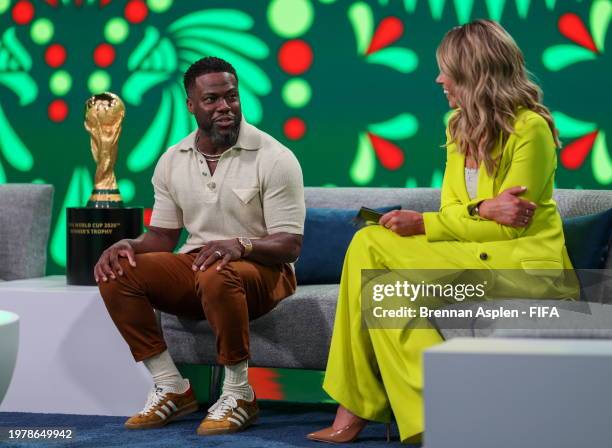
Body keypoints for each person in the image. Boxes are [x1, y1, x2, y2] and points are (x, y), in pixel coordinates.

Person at [307, 20, 578, 444]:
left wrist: (433, 222)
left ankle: (355, 406)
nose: (439, 79)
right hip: (472, 255)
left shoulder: (531, 129)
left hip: (527, 269)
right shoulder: (458, 128)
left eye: (447, 70)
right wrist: (482, 208)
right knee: (384, 291)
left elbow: (509, 228)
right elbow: (462, 211)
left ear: (477, 72)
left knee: (368, 241)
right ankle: (437, 419)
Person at [96, 56, 305, 436]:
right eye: (212, 100)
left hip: (263, 271)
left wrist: (240, 244)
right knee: (117, 272)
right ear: (191, 105)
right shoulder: (172, 161)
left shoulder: (275, 158)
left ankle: (239, 393)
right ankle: (172, 387)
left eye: (232, 97)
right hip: (200, 267)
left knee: (217, 272)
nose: (225, 107)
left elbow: (289, 245)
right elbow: (162, 236)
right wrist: (129, 244)